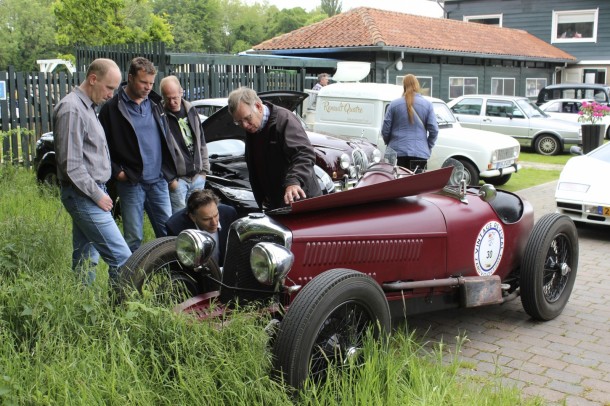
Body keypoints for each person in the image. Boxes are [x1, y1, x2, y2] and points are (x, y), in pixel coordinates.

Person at [53, 58, 132, 286]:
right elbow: (71, 165)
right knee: (123, 259)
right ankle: (120, 312)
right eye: (109, 88)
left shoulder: (88, 107)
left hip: (90, 192)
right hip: (84, 194)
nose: (111, 95)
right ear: (93, 79)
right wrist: (98, 196)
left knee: (86, 258)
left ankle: (82, 309)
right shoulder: (72, 109)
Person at [98, 57, 177, 252]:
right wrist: (117, 172)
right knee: (133, 237)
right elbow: (102, 146)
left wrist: (169, 172)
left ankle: (172, 276)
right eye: (143, 82)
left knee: (168, 233)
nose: (148, 87)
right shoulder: (112, 108)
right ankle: (131, 280)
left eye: (151, 83)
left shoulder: (157, 104)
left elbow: (167, 138)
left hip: (158, 180)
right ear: (130, 78)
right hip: (132, 182)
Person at [227, 86, 322, 210]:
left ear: (258, 107)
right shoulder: (254, 127)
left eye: (247, 118)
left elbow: (304, 154)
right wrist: (262, 195)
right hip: (276, 202)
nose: (245, 125)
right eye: (239, 122)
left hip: (301, 198)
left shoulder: (285, 120)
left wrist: (294, 181)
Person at [159, 75, 210, 214]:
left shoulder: (191, 111)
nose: (172, 102)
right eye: (167, 98)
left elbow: (202, 141)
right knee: (179, 221)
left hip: (197, 177)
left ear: (181, 92)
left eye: (175, 97)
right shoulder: (160, 117)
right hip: (178, 181)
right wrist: (171, 181)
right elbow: (159, 152)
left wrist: (204, 171)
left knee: (199, 217)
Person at [381, 74, 438, 173]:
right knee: (417, 184)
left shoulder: (393, 104)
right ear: (417, 85)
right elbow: (434, 130)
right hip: (419, 153)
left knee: (397, 184)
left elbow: (385, 129)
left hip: (396, 153)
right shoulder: (428, 105)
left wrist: (390, 142)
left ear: (404, 86)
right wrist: (428, 145)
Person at [165, 189, 238, 266]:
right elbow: (176, 264)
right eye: (206, 219)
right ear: (192, 217)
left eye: (216, 215)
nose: (214, 223)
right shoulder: (175, 227)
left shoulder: (229, 213)